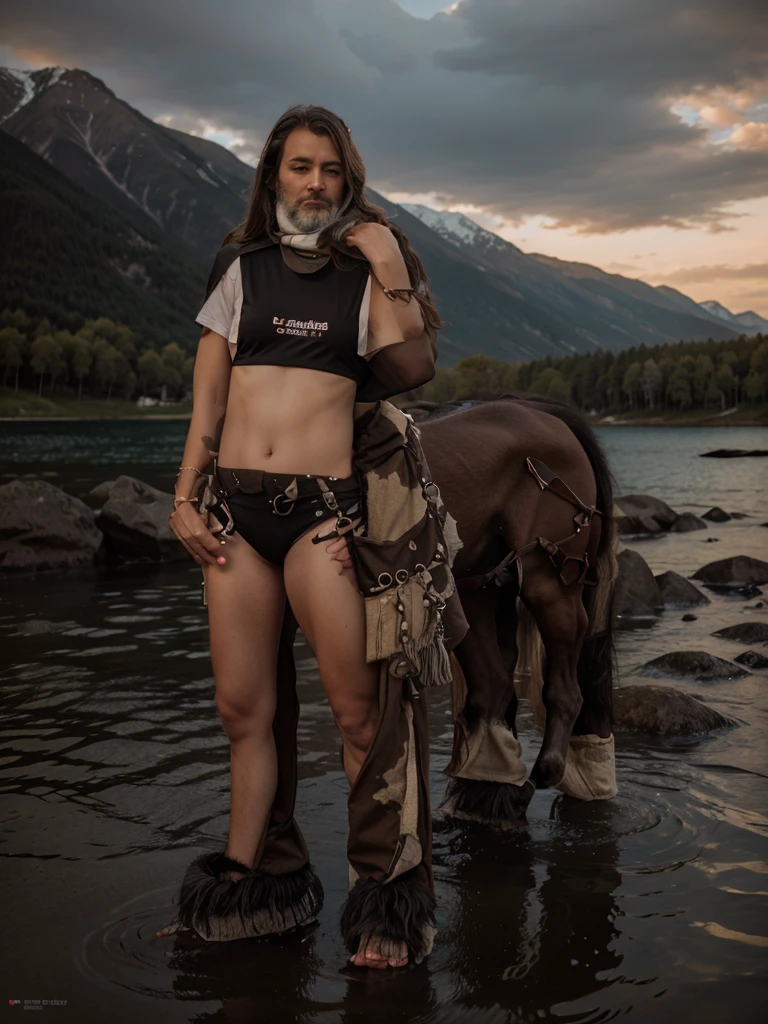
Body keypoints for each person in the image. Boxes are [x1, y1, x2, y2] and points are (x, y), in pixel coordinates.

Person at [157, 104, 462, 969]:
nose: (315, 183)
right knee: (242, 711)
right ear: (273, 177)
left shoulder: (362, 282)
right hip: (236, 517)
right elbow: (207, 402)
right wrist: (184, 499)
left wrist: (391, 259)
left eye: (330, 169)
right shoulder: (238, 268)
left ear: (346, 181)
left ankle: (387, 898)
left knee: (360, 715)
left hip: (322, 519)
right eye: (300, 167)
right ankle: (252, 889)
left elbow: (414, 367)